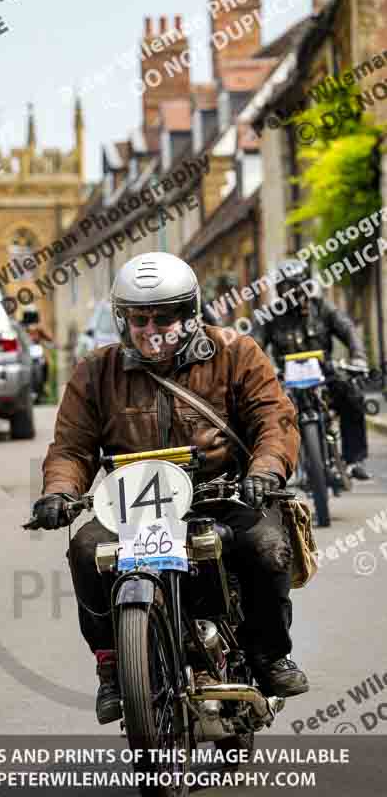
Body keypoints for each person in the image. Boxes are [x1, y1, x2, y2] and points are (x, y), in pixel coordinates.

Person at [32, 252, 309, 725]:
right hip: (132, 505)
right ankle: (114, 669)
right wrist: (59, 491)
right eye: (139, 318)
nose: (151, 328)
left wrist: (264, 471)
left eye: (165, 316)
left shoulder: (236, 353)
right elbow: (72, 448)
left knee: (265, 544)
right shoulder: (95, 373)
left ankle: (268, 655)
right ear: (123, 320)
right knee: (84, 549)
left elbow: (274, 420)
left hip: (222, 494)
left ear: (191, 313)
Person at [253, 259, 371, 480]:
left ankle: (354, 460)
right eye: (284, 287)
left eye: (294, 286)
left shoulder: (323, 308)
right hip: (287, 379)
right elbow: (254, 346)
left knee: (352, 395)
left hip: (325, 375)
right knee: (265, 412)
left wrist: (359, 358)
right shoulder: (270, 317)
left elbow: (348, 330)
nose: (290, 293)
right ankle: (272, 470)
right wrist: (252, 372)